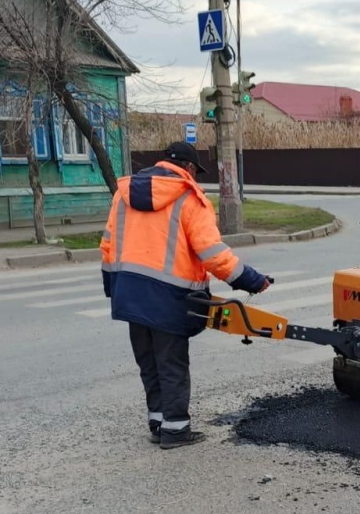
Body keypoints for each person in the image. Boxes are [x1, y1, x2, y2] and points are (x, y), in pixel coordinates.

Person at [100, 141, 270, 449]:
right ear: (189, 168)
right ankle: (176, 431)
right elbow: (213, 255)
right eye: (196, 171)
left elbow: (108, 246)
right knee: (171, 364)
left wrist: (114, 291)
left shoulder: (122, 196)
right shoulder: (189, 199)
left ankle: (158, 422)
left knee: (149, 362)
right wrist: (252, 280)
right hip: (169, 297)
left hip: (130, 293)